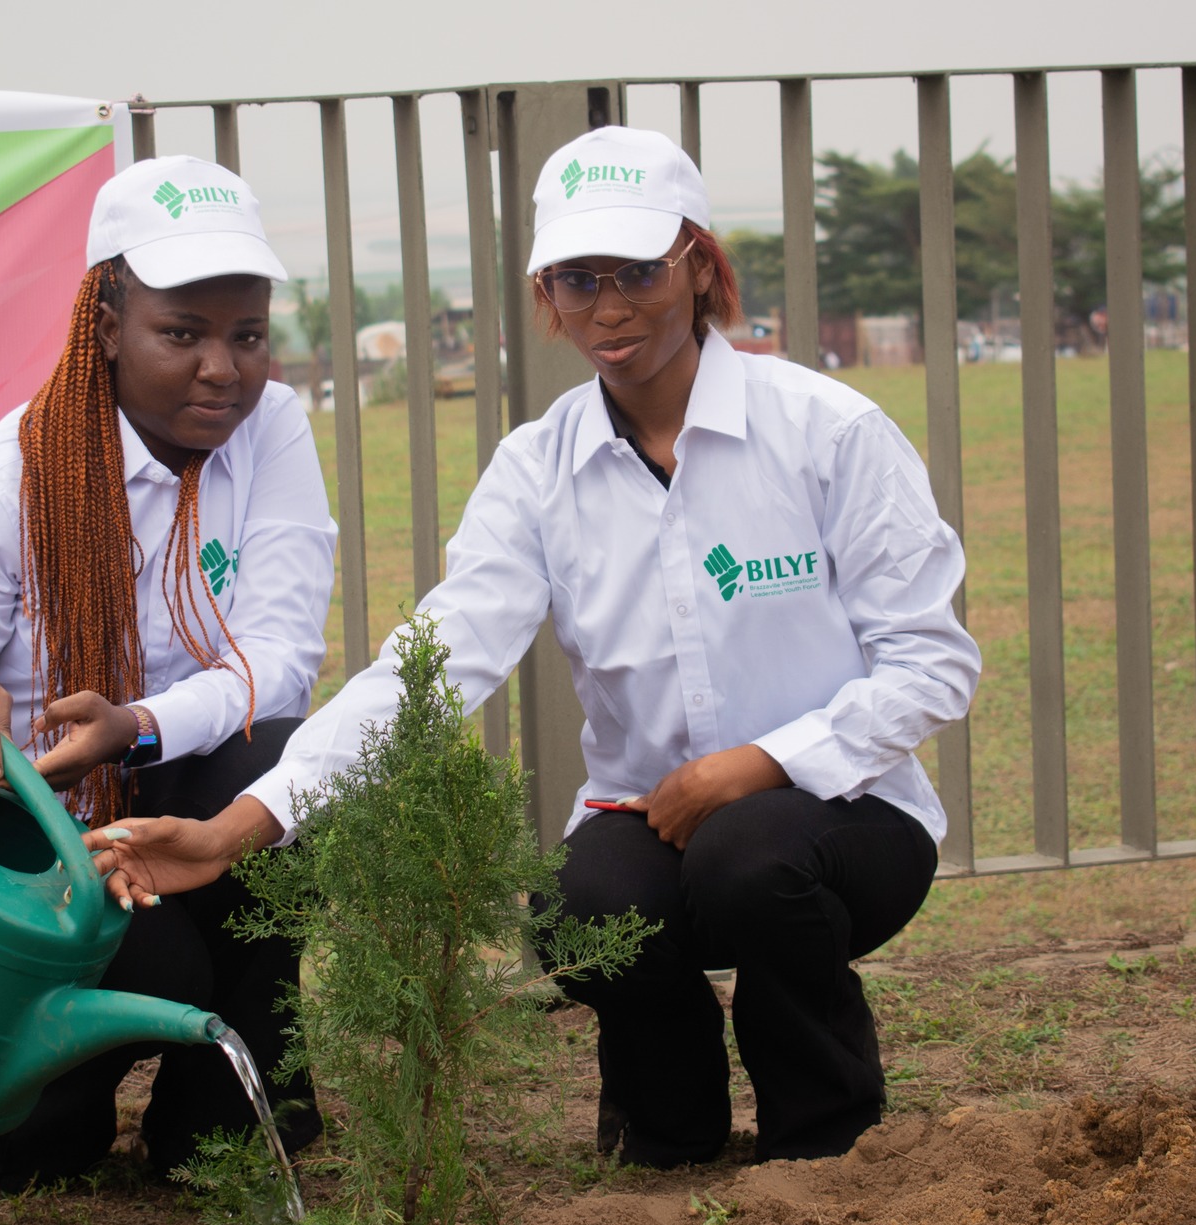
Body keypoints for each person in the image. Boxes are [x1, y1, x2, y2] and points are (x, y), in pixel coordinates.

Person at [82, 127, 980, 1168]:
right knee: (580, 899)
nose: (606, 308)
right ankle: (664, 1143)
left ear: (696, 262)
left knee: (752, 853)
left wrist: (759, 764)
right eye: (573, 277)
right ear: (543, 290)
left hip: (847, 816)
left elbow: (932, 663)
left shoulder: (828, 430)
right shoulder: (537, 467)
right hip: (654, 818)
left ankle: (825, 1138)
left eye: (636, 272)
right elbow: (427, 670)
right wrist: (236, 826)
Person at [0, 154, 337, 1195]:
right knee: (126, 1024)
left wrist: (139, 722)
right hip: (40, 841)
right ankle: (37, 1108)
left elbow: (279, 661)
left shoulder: (271, 431)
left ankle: (222, 1119)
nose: (222, 367)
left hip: (175, 783)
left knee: (282, 764)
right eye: (182, 334)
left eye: (246, 335)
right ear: (106, 321)